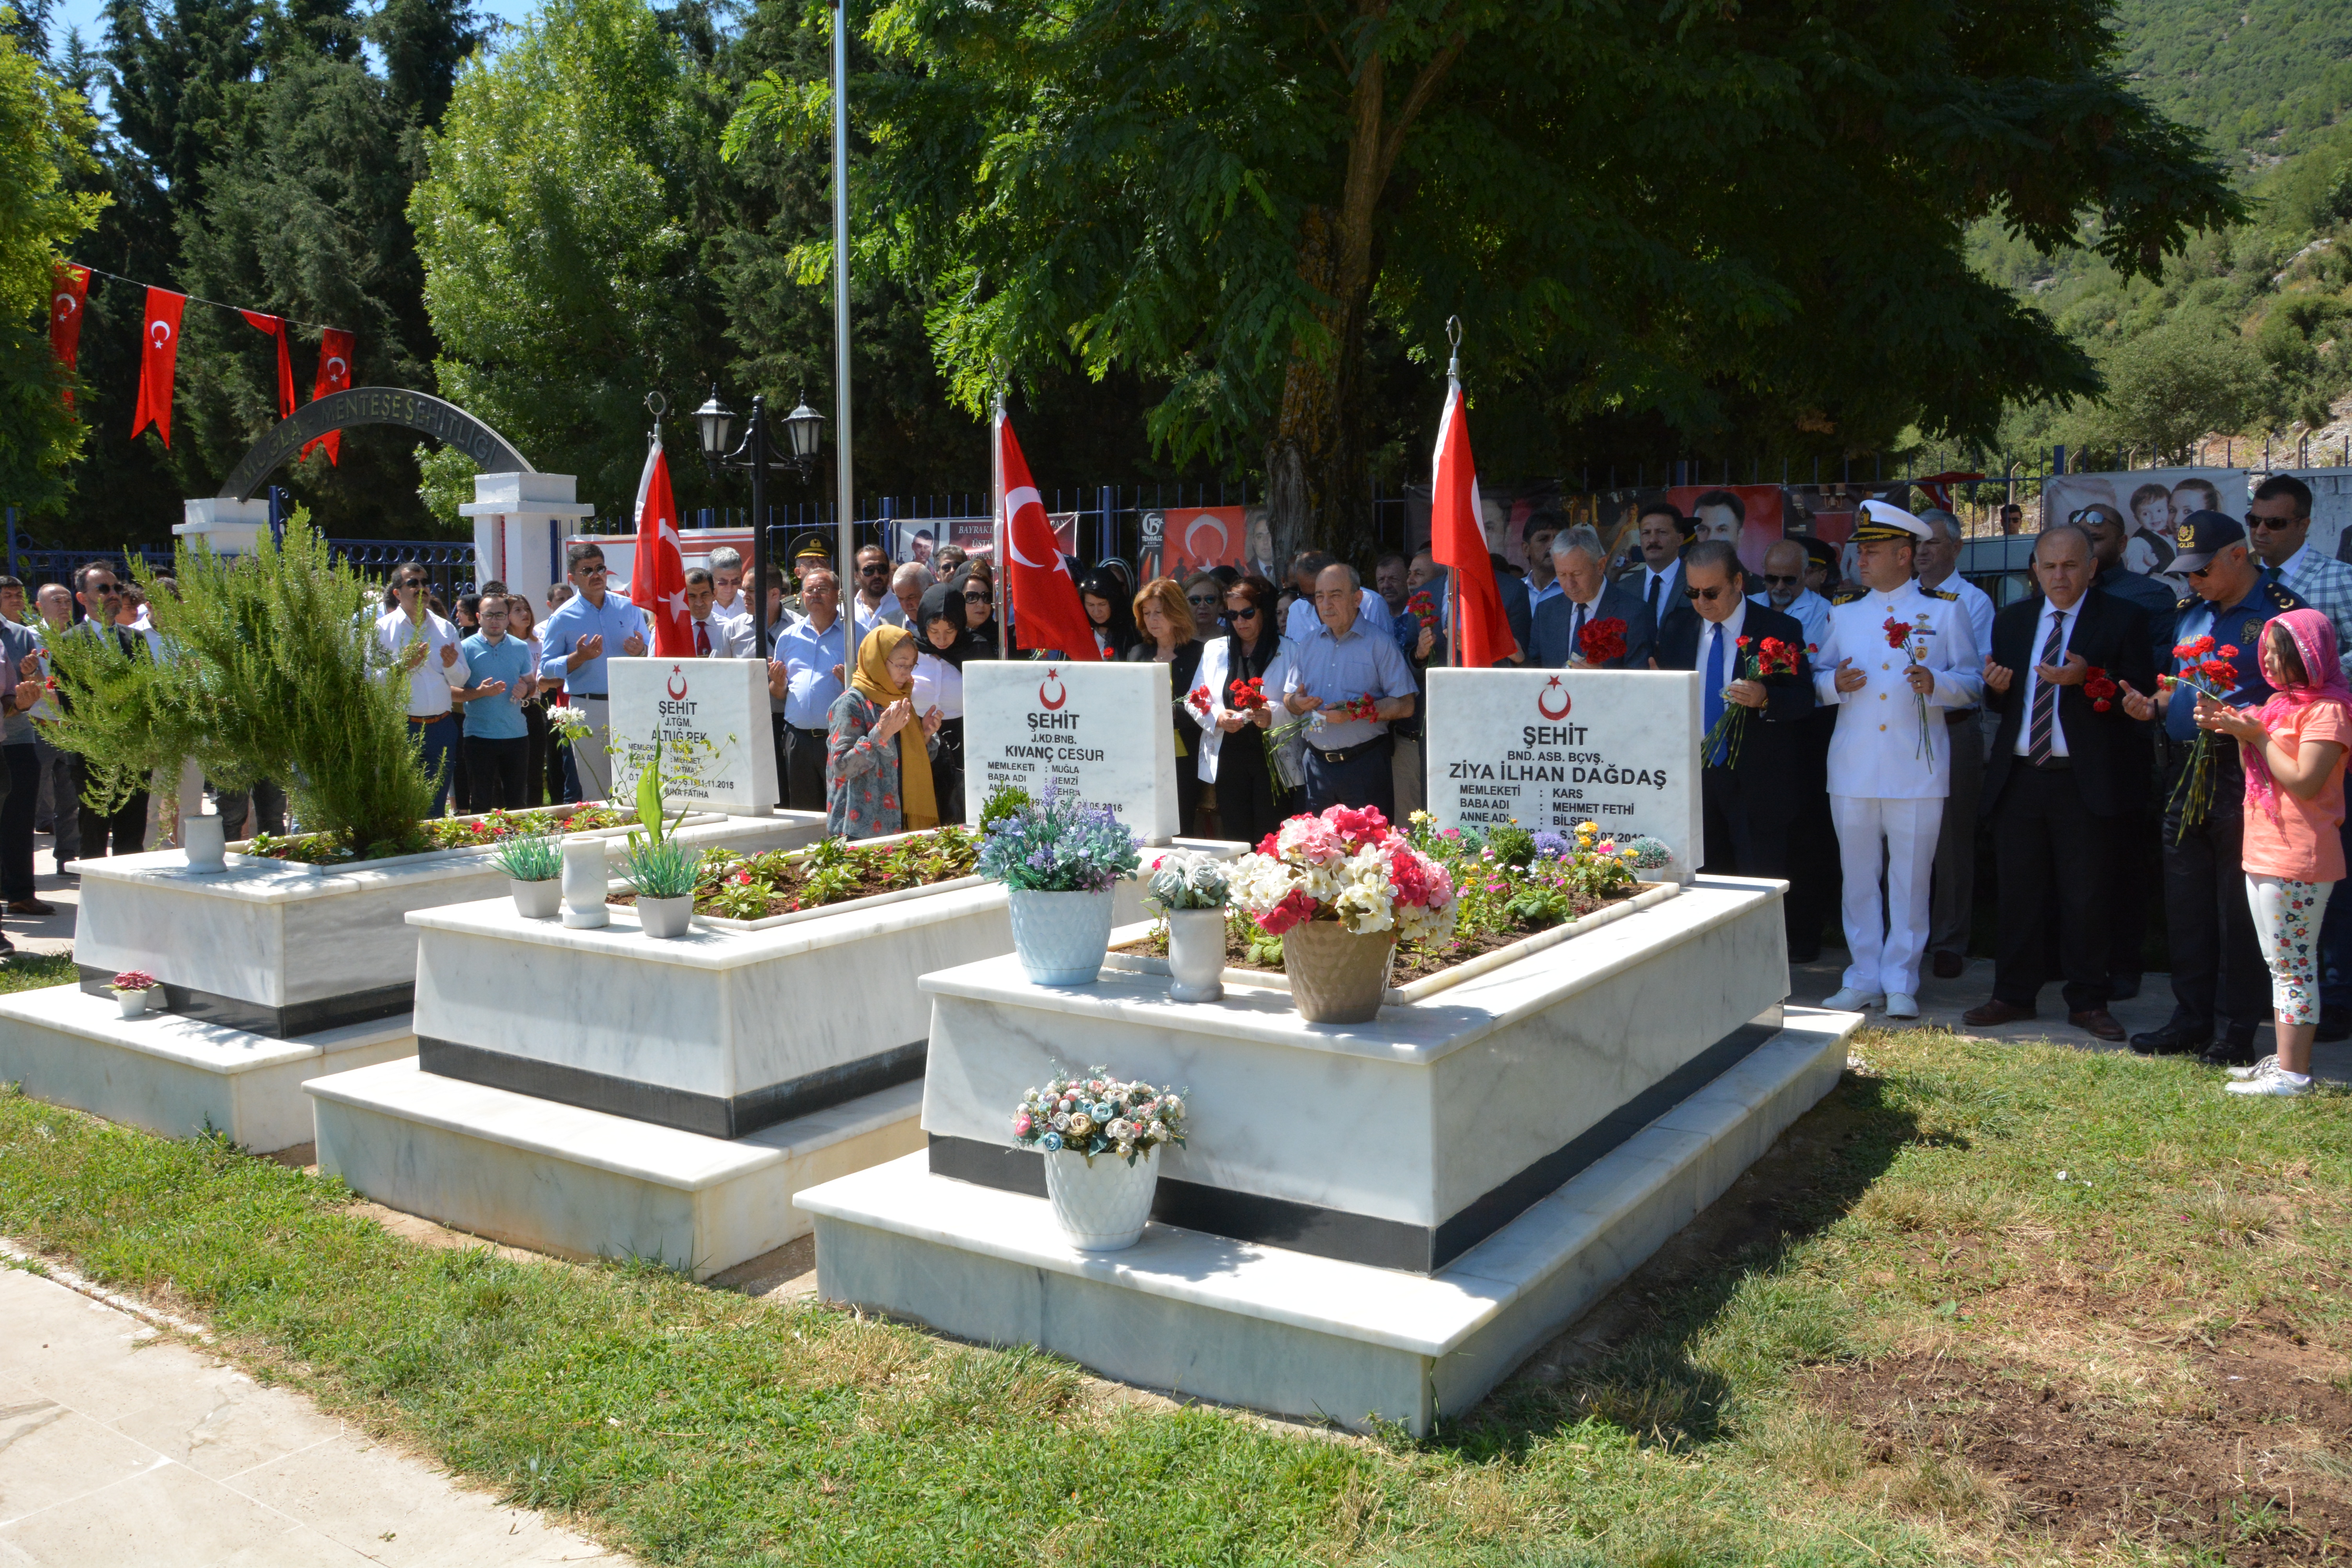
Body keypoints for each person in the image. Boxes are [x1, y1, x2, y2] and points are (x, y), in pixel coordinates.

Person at [2122, 512, 2307, 1065]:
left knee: (2237, 904)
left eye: (2201, 570)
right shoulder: (2192, 615)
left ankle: (2236, 1028)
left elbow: (2304, 701)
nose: (2193, 582)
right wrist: (2150, 706)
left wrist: (2244, 719)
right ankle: (2191, 1018)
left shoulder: (2283, 615)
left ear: (2237, 554)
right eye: (2186, 573)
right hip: (2183, 767)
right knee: (2187, 901)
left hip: (2245, 768)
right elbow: (2173, 687)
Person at [1961, 525, 2154, 1040]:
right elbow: (2007, 703)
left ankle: (2089, 1000)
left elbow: (2139, 698)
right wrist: (1997, 690)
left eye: (2070, 566)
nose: (2060, 576)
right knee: (2020, 893)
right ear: (2035, 570)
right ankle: (2013, 994)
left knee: (2086, 896)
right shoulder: (2014, 620)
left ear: (2092, 567)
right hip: (2022, 775)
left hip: (2083, 780)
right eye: (2050, 567)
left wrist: (2089, 678)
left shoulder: (2123, 618)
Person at [1811, 502, 1984, 1019]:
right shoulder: (1843, 613)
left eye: (1873, 551)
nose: (1861, 560)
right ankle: (1863, 975)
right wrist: (1831, 685)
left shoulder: (1944, 611)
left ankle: (1902, 977)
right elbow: (1818, 674)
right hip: (1855, 765)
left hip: (1916, 767)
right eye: (1861, 551)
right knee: (1858, 877)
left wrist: (1941, 685)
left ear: (1905, 555)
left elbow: (1973, 683)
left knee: (1911, 880)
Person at [2191, 609, 2349, 1098]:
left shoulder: (2330, 710)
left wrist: (2255, 734)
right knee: (2279, 962)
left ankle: (2295, 1076)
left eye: (2285, 656)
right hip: (2263, 848)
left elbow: (2305, 779)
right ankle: (2284, 1063)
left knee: (2293, 965)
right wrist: (2232, 726)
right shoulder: (2279, 706)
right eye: (2270, 655)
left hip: (2299, 855)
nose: (2273, 666)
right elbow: (2256, 761)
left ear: (2313, 656)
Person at [2245, 473, 2352, 1041]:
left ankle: (2332, 998)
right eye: (2254, 521)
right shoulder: (2246, 584)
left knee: (2324, 882)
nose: (2262, 532)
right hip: (2268, 758)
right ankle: (2291, 1002)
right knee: (2276, 888)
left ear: (2305, 524)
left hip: (2322, 749)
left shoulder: (2338, 580)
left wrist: (2314, 689)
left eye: (2276, 523)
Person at [1653, 539, 1813, 877]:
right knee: (1704, 882)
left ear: (1738, 583)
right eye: (1692, 593)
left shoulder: (1778, 629)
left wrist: (1765, 698)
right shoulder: (1677, 627)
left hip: (1757, 782)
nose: (1701, 602)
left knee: (1759, 882)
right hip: (1697, 778)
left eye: (1711, 593)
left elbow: (1802, 699)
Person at [1915, 508, 1996, 980]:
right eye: (1918, 543)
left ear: (1957, 548)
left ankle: (1949, 939)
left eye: (1934, 542)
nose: (1924, 550)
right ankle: (1908, 932)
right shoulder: (1896, 598)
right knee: (1904, 836)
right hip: (1903, 730)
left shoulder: (1972, 601)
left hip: (1951, 726)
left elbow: (1976, 672)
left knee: (1950, 842)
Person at [1282, 563, 1419, 818]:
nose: (1326, 604)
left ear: (1357, 598)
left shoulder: (1380, 643)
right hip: (1316, 767)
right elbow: (1289, 699)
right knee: (1319, 852)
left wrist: (1357, 711)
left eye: (1335, 595)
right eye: (1320, 597)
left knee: (1368, 852)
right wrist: (1296, 703)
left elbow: (1405, 704)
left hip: (1364, 766)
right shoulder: (1309, 644)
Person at [535, 543, 648, 803]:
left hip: (630, 706)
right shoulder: (562, 617)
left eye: (600, 568)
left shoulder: (629, 607)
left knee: (634, 786)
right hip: (589, 708)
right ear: (573, 579)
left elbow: (652, 649)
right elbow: (547, 667)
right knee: (596, 791)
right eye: (587, 571)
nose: (596, 575)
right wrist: (579, 657)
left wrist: (641, 651)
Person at [1193, 575, 1292, 850]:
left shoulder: (1290, 651)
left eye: (1247, 613)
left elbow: (1302, 707)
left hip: (1273, 761)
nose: (1240, 622)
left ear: (1264, 610)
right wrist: (1217, 717)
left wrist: (1273, 714)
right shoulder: (1215, 649)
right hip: (1229, 758)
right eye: (1232, 615)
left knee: (1273, 842)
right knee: (1237, 842)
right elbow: (1193, 699)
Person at [62, 563, 150, 859]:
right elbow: (70, 704)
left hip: (135, 753)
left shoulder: (135, 639)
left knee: (132, 837)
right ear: (83, 598)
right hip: (93, 755)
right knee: (94, 834)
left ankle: (130, 902)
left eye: (117, 588)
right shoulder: (69, 643)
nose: (113, 594)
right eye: (103, 589)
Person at [826, 623, 941, 840]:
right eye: (900, 665)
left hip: (900, 824)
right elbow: (841, 768)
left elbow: (910, 762)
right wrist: (880, 735)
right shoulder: (851, 704)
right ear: (877, 661)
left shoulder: (900, 698)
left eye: (911, 666)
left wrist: (923, 736)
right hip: (859, 828)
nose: (907, 674)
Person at [376, 564, 472, 818]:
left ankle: (434, 855)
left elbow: (462, 678)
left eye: (425, 582)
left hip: (442, 727)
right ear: (397, 593)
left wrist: (452, 665)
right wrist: (402, 667)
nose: (421, 588)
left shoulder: (445, 628)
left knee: (436, 804)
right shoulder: (383, 630)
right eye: (413, 583)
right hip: (403, 726)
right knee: (404, 802)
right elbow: (371, 680)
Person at [1124, 578, 1204, 836]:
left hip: (1185, 756)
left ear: (1176, 612)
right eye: (1146, 613)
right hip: (1143, 755)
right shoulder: (1137, 653)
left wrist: (1168, 712)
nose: (1152, 619)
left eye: (1159, 612)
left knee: (1182, 828)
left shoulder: (1199, 653)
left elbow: (1203, 704)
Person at [455, 593, 538, 811]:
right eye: (489, 615)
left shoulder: (520, 647)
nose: (495, 620)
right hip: (479, 736)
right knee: (481, 802)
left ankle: (519, 843)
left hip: (516, 736)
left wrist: (525, 691)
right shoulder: (465, 648)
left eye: (500, 615)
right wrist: (480, 692)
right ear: (478, 617)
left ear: (508, 617)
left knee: (517, 802)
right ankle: (483, 845)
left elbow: (532, 684)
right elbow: (453, 691)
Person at [777, 566, 847, 814]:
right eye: (810, 590)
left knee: (840, 809)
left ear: (838, 594)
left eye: (823, 589)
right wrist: (777, 683)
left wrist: (850, 684)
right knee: (804, 813)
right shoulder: (788, 637)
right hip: (799, 740)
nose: (815, 595)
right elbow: (779, 693)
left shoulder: (855, 634)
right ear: (802, 596)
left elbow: (870, 688)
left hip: (839, 740)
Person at [1533, 526, 1655, 668]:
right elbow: (1534, 674)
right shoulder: (1546, 611)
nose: (1570, 584)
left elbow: (1642, 683)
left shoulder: (1635, 614)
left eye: (1577, 574)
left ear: (1601, 566)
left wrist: (1602, 680)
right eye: (1562, 575)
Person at [26, 583, 76, 874]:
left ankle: (68, 859)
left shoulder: (79, 638)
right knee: (30, 799)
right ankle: (20, 865)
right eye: (56, 601)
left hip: (71, 729)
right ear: (39, 606)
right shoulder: (29, 637)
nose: (63, 606)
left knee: (70, 802)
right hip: (39, 727)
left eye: (67, 600)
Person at [0, 601, 45, 916]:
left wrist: (30, 686)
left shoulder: (19, 635)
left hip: (16, 737)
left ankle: (20, 893)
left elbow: (36, 683)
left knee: (19, 820)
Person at [912, 581, 967, 824]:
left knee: (957, 809)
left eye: (950, 631)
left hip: (962, 740)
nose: (942, 640)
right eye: (934, 632)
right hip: (917, 738)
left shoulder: (975, 649)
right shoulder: (910, 649)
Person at [1281, 550, 1393, 644]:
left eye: (1332, 594)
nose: (1319, 603)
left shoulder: (1372, 603)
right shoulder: (1295, 610)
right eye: (1308, 596)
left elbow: (1387, 655)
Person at [503, 594, 550, 808]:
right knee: (510, 767)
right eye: (518, 610)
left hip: (533, 709)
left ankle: (535, 813)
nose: (525, 614)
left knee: (535, 767)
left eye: (527, 609)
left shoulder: (539, 644)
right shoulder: (503, 645)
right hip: (508, 710)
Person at [1754, 537, 1833, 650]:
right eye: (1772, 579)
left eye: (1789, 580)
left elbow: (1810, 662)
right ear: (1764, 572)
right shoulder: (1749, 604)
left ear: (1805, 574)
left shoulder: (1822, 610)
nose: (1780, 586)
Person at [684, 568, 757, 658]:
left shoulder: (729, 629)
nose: (699, 603)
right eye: (692, 596)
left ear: (714, 595)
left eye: (704, 595)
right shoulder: (675, 631)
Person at [1079, 569, 1140, 659]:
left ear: (1113, 601)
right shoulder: (1079, 630)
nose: (1096, 612)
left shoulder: (1131, 631)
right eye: (1091, 605)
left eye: (1102, 604)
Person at [1522, 513, 1565, 611]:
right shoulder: (1515, 591)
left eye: (1559, 540)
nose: (1552, 546)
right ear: (1526, 549)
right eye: (1543, 539)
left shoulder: (1575, 590)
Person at [708, 546, 751, 623]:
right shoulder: (700, 605)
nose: (729, 588)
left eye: (735, 581)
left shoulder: (751, 603)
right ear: (711, 578)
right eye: (723, 582)